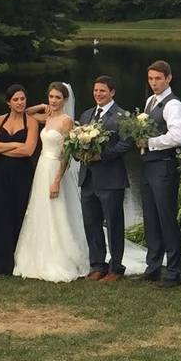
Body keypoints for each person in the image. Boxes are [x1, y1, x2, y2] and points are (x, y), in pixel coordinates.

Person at [14, 82, 90, 281]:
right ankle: (39, 254)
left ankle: (59, 257)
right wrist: (41, 105)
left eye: (58, 97)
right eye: (51, 97)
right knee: (40, 209)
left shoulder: (66, 121)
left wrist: (57, 180)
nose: (54, 101)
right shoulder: (47, 117)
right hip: (41, 167)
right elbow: (26, 113)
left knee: (57, 211)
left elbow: (66, 154)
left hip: (55, 169)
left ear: (65, 100)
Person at [75, 76, 132, 282]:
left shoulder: (122, 116)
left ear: (112, 92)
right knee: (92, 224)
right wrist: (77, 153)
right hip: (88, 179)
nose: (98, 94)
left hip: (111, 179)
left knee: (114, 225)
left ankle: (116, 268)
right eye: (96, 90)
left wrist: (102, 155)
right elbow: (75, 142)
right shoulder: (86, 115)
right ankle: (97, 265)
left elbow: (126, 144)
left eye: (102, 91)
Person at [137, 60, 181, 288]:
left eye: (158, 79)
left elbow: (177, 137)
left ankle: (174, 271)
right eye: (150, 79)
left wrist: (150, 142)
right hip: (148, 165)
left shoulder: (173, 105)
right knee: (151, 217)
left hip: (164, 165)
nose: (154, 83)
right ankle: (153, 266)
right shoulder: (150, 101)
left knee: (166, 218)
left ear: (168, 78)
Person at [0, 84, 38, 277]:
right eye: (15, 99)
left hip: (22, 172)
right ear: (8, 102)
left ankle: (18, 262)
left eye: (22, 99)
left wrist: (4, 147)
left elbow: (28, 150)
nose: (19, 103)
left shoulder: (31, 121)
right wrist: (15, 144)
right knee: (0, 214)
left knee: (19, 212)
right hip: (1, 172)